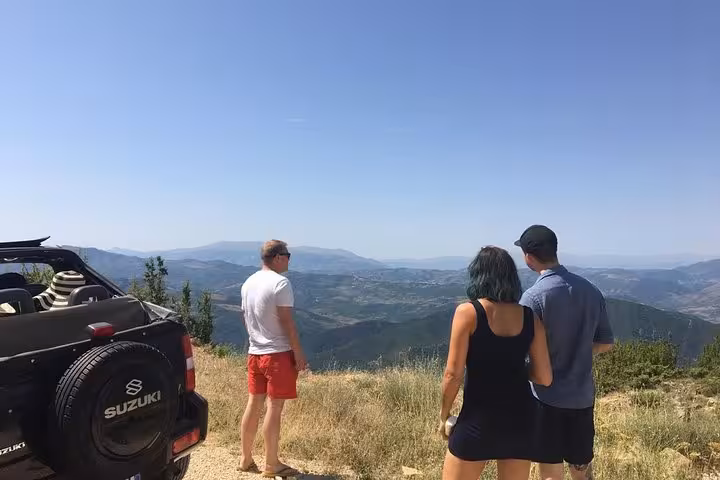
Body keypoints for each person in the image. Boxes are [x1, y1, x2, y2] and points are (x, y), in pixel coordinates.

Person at [440, 246, 553, 480]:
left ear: (478, 275)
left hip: (477, 420)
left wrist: (444, 416)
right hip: (520, 422)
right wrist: (514, 369)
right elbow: (544, 377)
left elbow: (453, 374)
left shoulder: (468, 313)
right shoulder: (530, 317)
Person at [514, 225, 614, 480]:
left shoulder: (533, 298)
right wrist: (579, 350)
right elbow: (605, 343)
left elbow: (520, 351)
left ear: (528, 256)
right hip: (582, 398)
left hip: (546, 399)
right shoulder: (591, 291)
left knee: (549, 472)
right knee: (580, 470)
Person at [239, 240, 308, 478]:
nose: (289, 259)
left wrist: (255, 340)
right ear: (277, 257)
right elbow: (287, 322)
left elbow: (244, 317)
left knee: (253, 404)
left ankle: (245, 458)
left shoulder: (249, 282)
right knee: (274, 407)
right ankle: (272, 464)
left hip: (255, 352)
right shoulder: (281, 283)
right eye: (287, 255)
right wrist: (297, 352)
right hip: (277, 354)